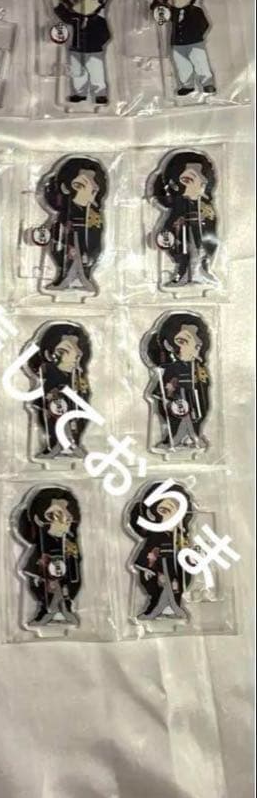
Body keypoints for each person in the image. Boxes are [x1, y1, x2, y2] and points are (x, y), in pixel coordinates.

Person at [36, 155, 107, 293]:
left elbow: (96, 237)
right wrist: (43, 234)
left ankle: (85, 278)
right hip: (67, 240)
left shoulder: (93, 215)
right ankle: (64, 279)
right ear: (65, 187)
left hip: (86, 245)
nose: (89, 191)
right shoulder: (63, 213)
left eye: (93, 188)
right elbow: (54, 233)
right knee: (64, 259)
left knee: (85, 261)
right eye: (80, 185)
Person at [14, 485, 81, 626]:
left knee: (64, 594)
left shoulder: (69, 545)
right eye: (55, 515)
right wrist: (37, 577)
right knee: (48, 596)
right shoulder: (40, 545)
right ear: (38, 519)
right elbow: (33, 567)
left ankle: (65, 609)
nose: (63, 521)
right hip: (47, 583)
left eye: (67, 516)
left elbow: (75, 570)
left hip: (64, 583)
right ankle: (47, 611)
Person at [150, 0, 215, 97]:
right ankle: (187, 85)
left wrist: (196, 36)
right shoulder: (171, 10)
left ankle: (207, 83)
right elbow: (162, 19)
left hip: (195, 42)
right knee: (182, 65)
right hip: (176, 43)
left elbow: (205, 25)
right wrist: (156, 6)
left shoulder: (196, 11)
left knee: (200, 63)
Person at [144, 312, 211, 452]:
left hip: (193, 397)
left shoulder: (197, 369)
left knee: (196, 416)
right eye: (182, 341)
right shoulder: (169, 368)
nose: (191, 349)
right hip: (175, 398)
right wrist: (164, 396)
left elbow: (204, 385)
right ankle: (174, 439)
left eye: (197, 346)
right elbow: (163, 386)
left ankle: (193, 436)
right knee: (174, 418)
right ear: (168, 344)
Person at [150, 149, 218, 286]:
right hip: (182, 240)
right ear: (175, 184)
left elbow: (211, 227)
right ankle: (183, 274)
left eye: (203, 180)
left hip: (200, 240)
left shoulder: (204, 207)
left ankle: (200, 272)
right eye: (188, 179)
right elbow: (168, 226)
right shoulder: (177, 206)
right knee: (185, 255)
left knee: (199, 253)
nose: (200, 185)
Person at [127, 481, 193, 619]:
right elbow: (148, 553)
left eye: (178, 513)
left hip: (175, 568)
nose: (172, 518)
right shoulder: (155, 537)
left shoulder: (179, 537)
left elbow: (186, 555)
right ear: (151, 513)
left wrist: (190, 559)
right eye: (164, 511)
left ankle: (171, 608)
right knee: (158, 588)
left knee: (175, 588)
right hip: (158, 568)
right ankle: (158, 608)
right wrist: (148, 569)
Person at [26, 322, 92, 459]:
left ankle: (68, 444)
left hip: (69, 411)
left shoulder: (76, 380)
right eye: (64, 351)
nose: (76, 355)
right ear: (49, 354)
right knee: (55, 416)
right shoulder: (49, 378)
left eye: (77, 350)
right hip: (54, 406)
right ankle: (58, 445)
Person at [52, 0, 112, 106]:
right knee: (77, 73)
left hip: (94, 51)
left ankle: (100, 94)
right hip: (75, 50)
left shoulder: (99, 19)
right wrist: (56, 5)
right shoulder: (75, 18)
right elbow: (64, 16)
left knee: (96, 72)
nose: (83, 3)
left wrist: (98, 44)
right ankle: (79, 93)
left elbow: (106, 35)